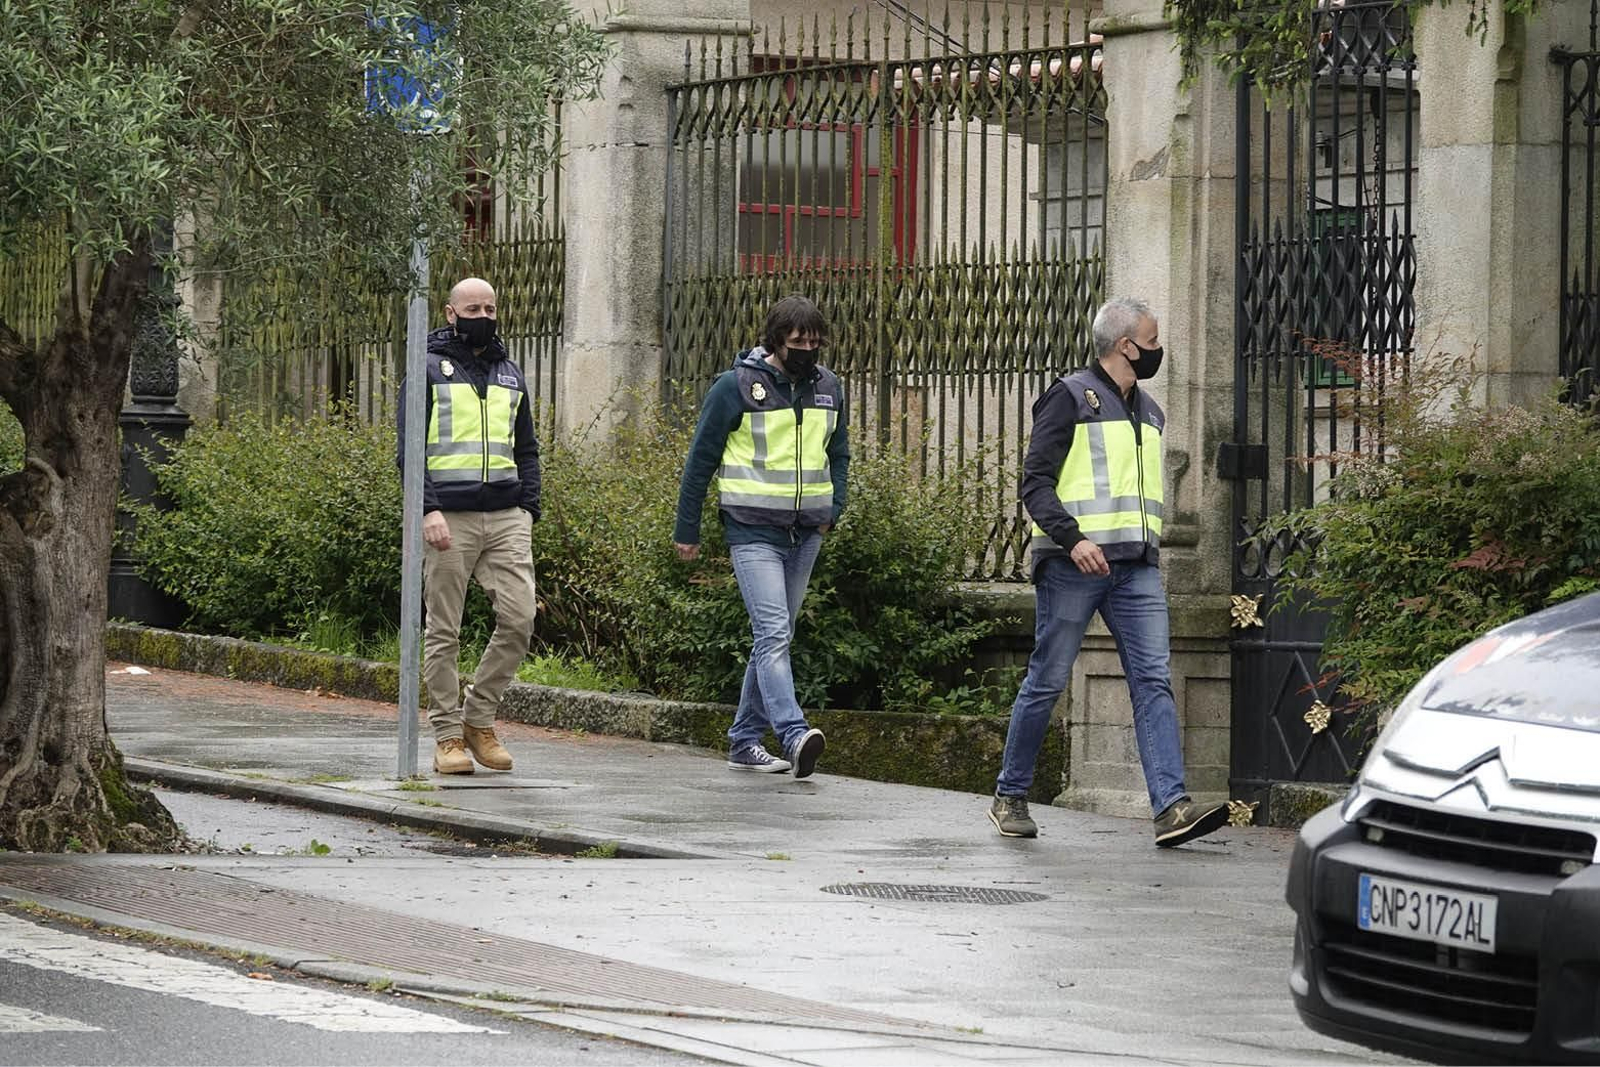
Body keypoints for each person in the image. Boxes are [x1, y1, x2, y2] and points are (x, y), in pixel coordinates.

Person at [989, 297, 1229, 847]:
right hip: (1073, 566)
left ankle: (1170, 808)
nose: (1158, 349)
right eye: (1152, 340)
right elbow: (1035, 484)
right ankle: (1010, 795)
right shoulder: (1069, 397)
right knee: (1048, 678)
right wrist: (1073, 540)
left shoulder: (1150, 412)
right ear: (1126, 345)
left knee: (1153, 680)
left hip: (1136, 569)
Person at [672, 295, 849, 779]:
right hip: (751, 529)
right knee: (772, 632)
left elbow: (839, 453)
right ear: (775, 340)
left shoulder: (829, 387)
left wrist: (834, 509)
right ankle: (793, 733)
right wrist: (687, 529)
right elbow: (700, 461)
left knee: (776, 636)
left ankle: (744, 740)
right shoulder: (735, 387)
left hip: (806, 531)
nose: (807, 351)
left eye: (814, 342)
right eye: (797, 342)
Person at [397, 277, 540, 775]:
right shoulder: (427, 368)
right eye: (473, 308)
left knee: (520, 619)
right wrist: (428, 509)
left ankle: (479, 718)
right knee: (444, 629)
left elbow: (526, 448)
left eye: (490, 308)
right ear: (450, 313)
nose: (483, 316)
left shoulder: (509, 373)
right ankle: (448, 736)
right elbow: (410, 450)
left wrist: (528, 509)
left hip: (506, 516)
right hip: (448, 517)